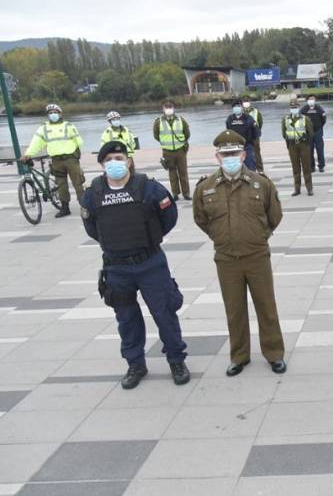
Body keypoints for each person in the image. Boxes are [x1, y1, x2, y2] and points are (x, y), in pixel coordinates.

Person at [80, 141, 189, 389]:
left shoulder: (149, 188)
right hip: (117, 268)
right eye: (108, 160)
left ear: (129, 161)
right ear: (101, 165)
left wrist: (148, 241)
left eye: (119, 158)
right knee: (126, 318)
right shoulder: (93, 193)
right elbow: (92, 228)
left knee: (165, 314)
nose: (114, 164)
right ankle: (135, 364)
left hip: (150, 262)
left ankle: (176, 360)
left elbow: (168, 218)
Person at [192, 130, 287, 376]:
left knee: (267, 307)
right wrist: (221, 236)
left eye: (234, 153)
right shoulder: (205, 188)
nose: (230, 158)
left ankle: (274, 353)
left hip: (257, 256)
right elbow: (201, 219)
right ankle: (239, 356)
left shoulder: (261, 183)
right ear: (217, 157)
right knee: (234, 310)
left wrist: (258, 235)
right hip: (226, 259)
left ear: (244, 155)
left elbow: (274, 215)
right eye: (225, 154)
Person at [21, 103, 85, 217]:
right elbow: (36, 143)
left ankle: (85, 206)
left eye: (55, 112)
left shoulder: (68, 126)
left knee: (78, 183)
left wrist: (77, 153)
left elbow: (79, 141)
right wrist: (28, 154)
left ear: (61, 114)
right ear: (47, 115)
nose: (53, 114)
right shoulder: (43, 128)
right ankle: (65, 208)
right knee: (61, 185)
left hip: (70, 159)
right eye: (50, 113)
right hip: (56, 160)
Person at [153, 100, 191, 201]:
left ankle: (186, 193)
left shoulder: (181, 120)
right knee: (172, 173)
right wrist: (165, 142)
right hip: (167, 151)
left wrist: (182, 142)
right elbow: (156, 136)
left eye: (170, 107)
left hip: (180, 150)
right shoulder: (158, 122)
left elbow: (187, 133)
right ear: (163, 109)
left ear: (174, 108)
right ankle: (175, 194)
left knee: (183, 172)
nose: (169, 109)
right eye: (167, 107)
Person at [282, 98, 315, 195]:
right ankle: (297, 188)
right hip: (292, 145)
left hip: (303, 144)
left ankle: (309, 188)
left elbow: (311, 133)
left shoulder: (305, 119)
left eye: (295, 107)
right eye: (292, 107)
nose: (294, 109)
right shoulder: (285, 119)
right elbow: (284, 133)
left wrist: (306, 140)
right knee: (295, 168)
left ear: (299, 107)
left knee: (306, 167)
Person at [225, 98, 261, 171]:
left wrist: (252, 142)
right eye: (235, 106)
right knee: (236, 168)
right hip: (235, 147)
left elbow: (256, 132)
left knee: (250, 167)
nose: (236, 108)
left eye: (238, 106)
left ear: (241, 107)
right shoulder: (230, 119)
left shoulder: (248, 118)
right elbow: (228, 131)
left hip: (247, 146)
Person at [301, 93, 327, 172]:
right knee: (309, 150)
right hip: (308, 132)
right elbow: (300, 120)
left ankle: (321, 166)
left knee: (320, 150)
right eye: (310, 99)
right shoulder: (304, 109)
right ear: (307, 100)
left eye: (313, 99)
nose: (311, 100)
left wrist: (319, 126)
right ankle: (312, 167)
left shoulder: (319, 108)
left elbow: (324, 119)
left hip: (318, 131)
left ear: (315, 100)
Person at [242, 97, 265, 172]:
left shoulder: (256, 111)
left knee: (256, 153)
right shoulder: (240, 112)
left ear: (250, 102)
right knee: (245, 153)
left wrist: (257, 132)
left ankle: (260, 170)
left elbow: (260, 123)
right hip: (244, 136)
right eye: (244, 101)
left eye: (247, 101)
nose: (246, 103)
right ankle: (247, 170)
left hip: (255, 136)